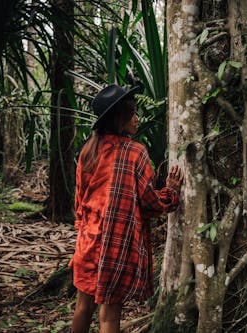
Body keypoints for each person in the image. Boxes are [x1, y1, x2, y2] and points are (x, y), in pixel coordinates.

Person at [69, 84, 184, 333]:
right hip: (116, 244)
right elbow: (150, 202)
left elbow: (79, 201)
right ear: (119, 119)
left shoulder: (88, 151)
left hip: (87, 243)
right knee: (109, 316)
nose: (137, 118)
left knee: (83, 307)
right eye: (132, 113)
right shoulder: (135, 153)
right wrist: (171, 192)